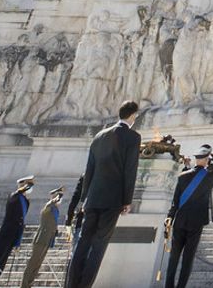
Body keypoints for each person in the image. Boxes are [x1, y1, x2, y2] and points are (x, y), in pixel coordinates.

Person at [64, 100, 142, 288]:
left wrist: (84, 199)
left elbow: (89, 169)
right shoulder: (133, 137)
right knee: (98, 247)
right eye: (136, 116)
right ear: (132, 116)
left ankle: (71, 284)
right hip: (113, 200)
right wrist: (127, 200)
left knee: (82, 244)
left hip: (92, 199)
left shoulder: (99, 136)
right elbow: (130, 170)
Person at [165, 145, 213, 288]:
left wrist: (170, 217)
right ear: (207, 159)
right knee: (187, 260)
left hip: (180, 221)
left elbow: (175, 201)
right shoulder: (209, 177)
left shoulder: (182, 176)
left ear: (196, 160)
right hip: (196, 223)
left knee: (174, 258)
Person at [0, 176, 35, 288]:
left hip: (15, 234)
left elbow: (21, 220)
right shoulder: (14, 196)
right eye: (28, 185)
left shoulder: (26, 201)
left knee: (2, 263)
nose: (30, 188)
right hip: (6, 233)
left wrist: (18, 241)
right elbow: (14, 200)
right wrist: (21, 189)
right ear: (22, 185)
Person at [18, 186, 64, 288]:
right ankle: (24, 285)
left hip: (48, 239)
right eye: (58, 197)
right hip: (41, 238)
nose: (60, 200)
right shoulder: (48, 207)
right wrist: (56, 197)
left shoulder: (55, 209)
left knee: (38, 264)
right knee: (32, 263)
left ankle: (29, 284)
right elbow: (50, 205)